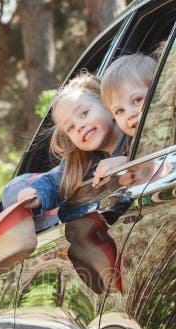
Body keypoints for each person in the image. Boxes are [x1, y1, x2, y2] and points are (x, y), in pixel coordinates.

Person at [15, 71, 124, 221]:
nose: (79, 126)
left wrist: (127, 163)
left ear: (107, 103)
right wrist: (36, 194)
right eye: (70, 127)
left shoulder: (142, 132)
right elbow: (55, 182)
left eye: (84, 113)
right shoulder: (81, 164)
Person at [92, 52, 157, 188]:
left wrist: (126, 162)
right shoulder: (134, 145)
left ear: (159, 90)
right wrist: (126, 161)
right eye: (120, 111)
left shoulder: (171, 128)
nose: (130, 114)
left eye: (137, 100)